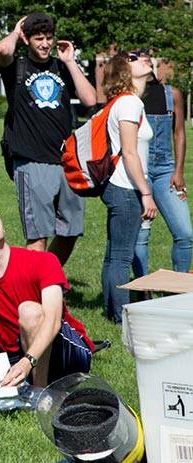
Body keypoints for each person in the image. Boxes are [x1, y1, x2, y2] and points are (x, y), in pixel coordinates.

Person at [0, 205, 97, 391]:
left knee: (29, 311)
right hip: (17, 360)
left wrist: (27, 362)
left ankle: (39, 393)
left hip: (67, 352)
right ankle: (23, 391)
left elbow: (53, 321)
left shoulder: (43, 261)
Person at [0, 13, 98, 266]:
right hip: (31, 160)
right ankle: (36, 290)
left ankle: (47, 277)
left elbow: (91, 100)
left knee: (71, 231)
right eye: (38, 38)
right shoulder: (16, 68)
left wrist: (71, 62)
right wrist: (17, 29)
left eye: (48, 38)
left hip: (66, 161)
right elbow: (1, 49)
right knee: (37, 235)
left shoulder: (61, 67)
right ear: (27, 39)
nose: (44, 44)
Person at [97, 51, 159, 323]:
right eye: (135, 58)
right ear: (124, 70)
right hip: (125, 187)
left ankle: (112, 312)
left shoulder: (123, 102)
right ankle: (122, 317)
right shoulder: (130, 103)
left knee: (114, 255)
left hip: (118, 185)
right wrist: (146, 193)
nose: (144, 59)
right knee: (121, 258)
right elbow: (131, 153)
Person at [132, 60, 191, 275]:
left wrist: (178, 171)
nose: (144, 59)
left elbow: (179, 133)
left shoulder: (172, 94)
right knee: (141, 236)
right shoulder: (128, 97)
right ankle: (143, 289)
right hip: (138, 170)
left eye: (146, 56)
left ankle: (178, 290)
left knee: (185, 233)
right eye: (135, 58)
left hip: (166, 170)